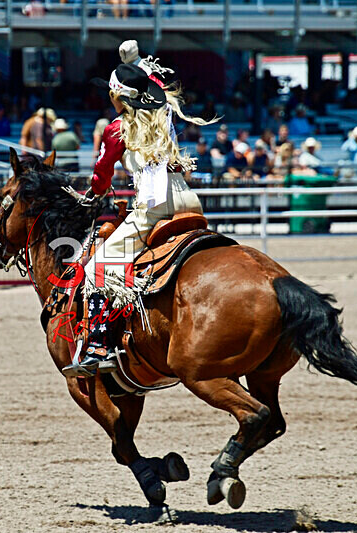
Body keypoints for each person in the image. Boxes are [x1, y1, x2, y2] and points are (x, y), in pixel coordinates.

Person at [62, 62, 212, 377]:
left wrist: (92, 194)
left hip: (154, 205)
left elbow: (102, 175)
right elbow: (153, 84)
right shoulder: (163, 116)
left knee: (98, 266)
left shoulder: (117, 128)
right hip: (187, 199)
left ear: (118, 96)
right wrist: (142, 67)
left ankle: (98, 347)